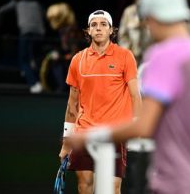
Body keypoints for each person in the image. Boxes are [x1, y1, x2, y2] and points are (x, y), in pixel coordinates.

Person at [71, 0, 190, 194]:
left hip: (172, 186)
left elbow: (144, 125)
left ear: (153, 18)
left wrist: (90, 136)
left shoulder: (162, 56)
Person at [58, 10, 141, 194]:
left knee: (111, 189)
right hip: (85, 132)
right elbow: (72, 105)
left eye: (103, 24)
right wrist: (66, 142)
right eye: (94, 25)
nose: (98, 28)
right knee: (84, 186)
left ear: (111, 30)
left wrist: (137, 126)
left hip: (115, 134)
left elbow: (136, 96)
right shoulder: (77, 60)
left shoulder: (125, 56)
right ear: (88, 31)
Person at [0, 0, 46, 93]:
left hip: (27, 34)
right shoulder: (37, 4)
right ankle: (36, 76)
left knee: (23, 60)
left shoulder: (17, 3)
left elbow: (1, 10)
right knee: (35, 58)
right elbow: (44, 14)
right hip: (40, 34)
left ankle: (34, 84)